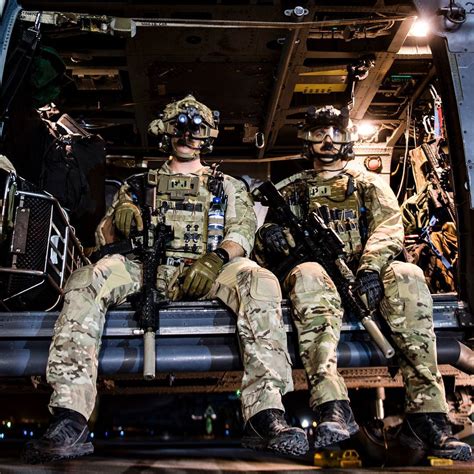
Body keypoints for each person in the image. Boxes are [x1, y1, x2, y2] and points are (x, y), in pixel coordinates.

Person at [23, 95, 308, 463]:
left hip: (210, 266)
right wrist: (120, 215)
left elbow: (242, 233)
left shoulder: (228, 186)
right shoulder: (139, 184)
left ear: (209, 136)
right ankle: (70, 416)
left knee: (260, 280)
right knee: (84, 281)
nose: (188, 136)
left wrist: (217, 257)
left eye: (197, 129)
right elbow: (102, 240)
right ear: (166, 132)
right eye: (181, 127)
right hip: (144, 266)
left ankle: (266, 412)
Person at [254, 105, 472, 461]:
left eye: (335, 135)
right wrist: (271, 236)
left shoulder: (367, 183)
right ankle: (332, 407)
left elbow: (389, 229)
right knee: (308, 275)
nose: (327, 143)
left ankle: (429, 415)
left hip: (365, 270)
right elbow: (261, 248)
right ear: (306, 141)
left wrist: (370, 270)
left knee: (409, 275)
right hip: (317, 275)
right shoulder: (290, 190)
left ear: (349, 140)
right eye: (318, 135)